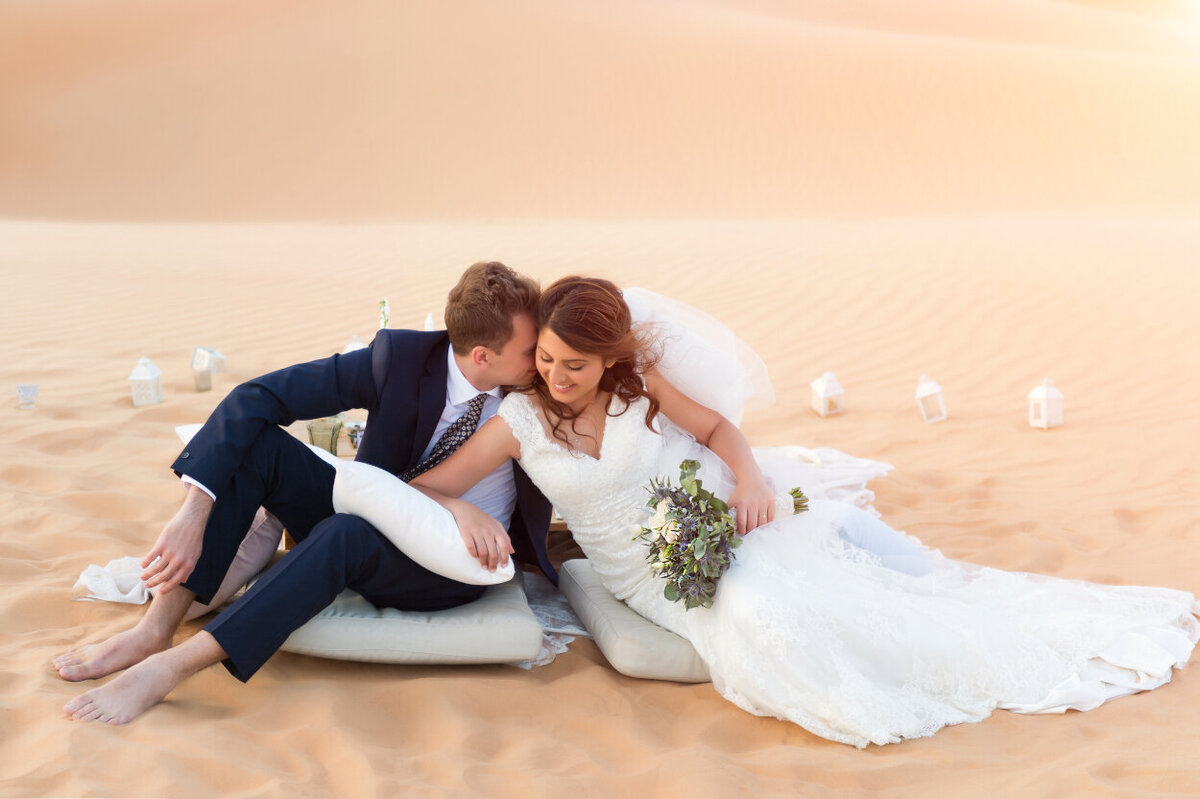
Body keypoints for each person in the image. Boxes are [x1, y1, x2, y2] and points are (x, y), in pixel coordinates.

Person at [408, 276, 1200, 748]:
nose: (556, 374)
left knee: (789, 593)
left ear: (609, 358)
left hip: (711, 523)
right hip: (638, 574)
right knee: (754, 613)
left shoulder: (637, 385)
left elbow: (718, 430)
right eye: (545, 359)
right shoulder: (518, 421)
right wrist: (465, 514)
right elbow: (431, 482)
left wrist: (749, 482)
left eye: (573, 364)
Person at [57, 261, 554, 724]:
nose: (544, 360)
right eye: (532, 351)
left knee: (346, 532)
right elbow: (258, 396)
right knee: (261, 447)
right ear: (483, 356)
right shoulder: (399, 361)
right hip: (380, 514)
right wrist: (194, 509)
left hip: (459, 561)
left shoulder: (543, 386)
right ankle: (154, 631)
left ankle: (172, 667)